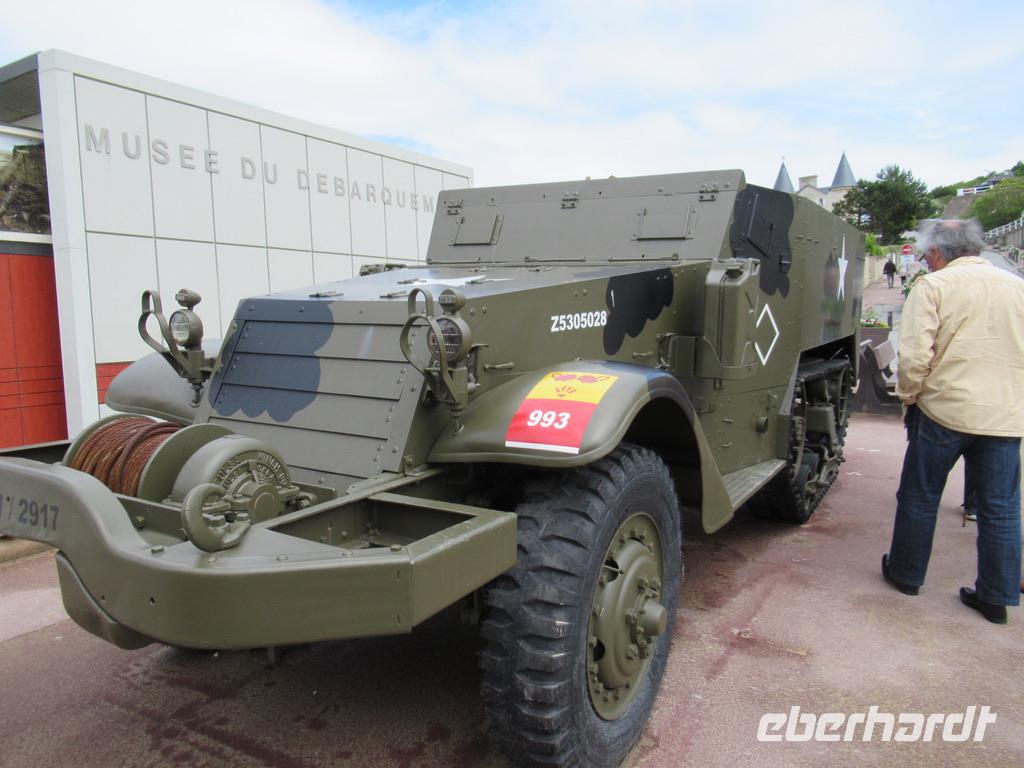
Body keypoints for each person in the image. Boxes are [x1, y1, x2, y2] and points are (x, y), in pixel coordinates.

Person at [881, 219, 1024, 624]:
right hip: (1004, 415)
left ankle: (907, 574)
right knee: (1002, 508)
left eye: (927, 254)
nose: (927, 261)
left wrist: (910, 396)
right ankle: (996, 597)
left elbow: (913, 357)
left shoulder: (933, 287)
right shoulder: (1017, 287)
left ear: (939, 252)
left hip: (944, 409)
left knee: (920, 495)